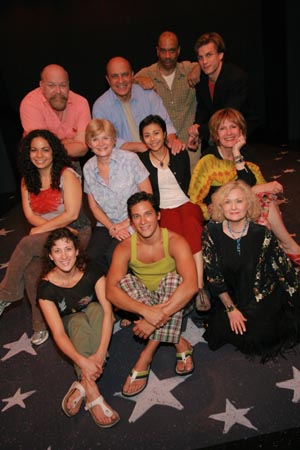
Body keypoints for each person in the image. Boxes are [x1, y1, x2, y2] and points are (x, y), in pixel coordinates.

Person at [0, 129, 91, 345]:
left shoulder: (67, 174)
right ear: (27, 154)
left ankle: (5, 294)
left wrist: (48, 231)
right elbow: (31, 216)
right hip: (52, 232)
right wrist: (47, 230)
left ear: (54, 152)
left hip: (75, 231)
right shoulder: (26, 180)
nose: (39, 155)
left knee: (25, 243)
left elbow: (72, 214)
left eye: (45, 149)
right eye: (34, 150)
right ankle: (40, 325)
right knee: (32, 272)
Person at [106, 192, 198, 397]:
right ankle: (179, 342)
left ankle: (146, 355)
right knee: (124, 281)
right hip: (146, 304)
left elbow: (191, 285)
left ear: (158, 215)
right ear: (130, 221)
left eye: (147, 214)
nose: (143, 221)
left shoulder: (175, 241)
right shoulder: (124, 248)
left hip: (177, 303)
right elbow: (110, 291)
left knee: (172, 280)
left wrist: (153, 319)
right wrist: (147, 312)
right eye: (136, 217)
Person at [202, 180, 300, 361]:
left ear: (248, 204)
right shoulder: (211, 232)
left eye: (239, 201)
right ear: (220, 207)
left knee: (262, 337)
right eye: (228, 202)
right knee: (216, 334)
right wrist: (231, 308)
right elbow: (213, 275)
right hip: (229, 296)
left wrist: (295, 297)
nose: (233, 207)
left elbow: (283, 269)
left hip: (260, 293)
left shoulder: (262, 233)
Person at [188, 108, 300, 264]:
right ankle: (284, 250)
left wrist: (236, 153)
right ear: (215, 134)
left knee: (265, 200)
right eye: (222, 128)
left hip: (245, 207)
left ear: (241, 130)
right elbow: (194, 200)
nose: (229, 132)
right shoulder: (208, 160)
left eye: (233, 126)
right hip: (221, 213)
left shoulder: (246, 153)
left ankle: (281, 250)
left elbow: (258, 184)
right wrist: (209, 211)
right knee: (261, 199)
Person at [37, 227, 119, 428]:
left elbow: (109, 313)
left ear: (77, 251)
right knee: (77, 321)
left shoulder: (93, 271)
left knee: (98, 309)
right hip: (70, 325)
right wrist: (83, 361)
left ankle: (83, 384)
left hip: (96, 315)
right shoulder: (45, 288)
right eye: (57, 251)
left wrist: (99, 355)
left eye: (68, 249)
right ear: (50, 255)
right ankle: (92, 391)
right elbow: (57, 333)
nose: (64, 256)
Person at [138, 114, 210, 311]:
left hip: (185, 201)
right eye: (147, 135)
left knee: (191, 225)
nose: (152, 139)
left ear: (164, 133)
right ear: (142, 139)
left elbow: (187, 182)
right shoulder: (141, 160)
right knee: (175, 237)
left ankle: (199, 287)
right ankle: (189, 285)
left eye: (156, 133)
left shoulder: (178, 152)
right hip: (162, 208)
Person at [83, 118, 152, 275]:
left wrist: (126, 223)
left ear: (114, 140)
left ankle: (125, 295)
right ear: (89, 144)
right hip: (106, 224)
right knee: (91, 257)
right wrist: (112, 227)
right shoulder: (88, 168)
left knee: (114, 256)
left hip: (135, 221)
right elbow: (93, 206)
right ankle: (105, 295)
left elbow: (148, 195)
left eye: (105, 138)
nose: (101, 143)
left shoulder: (130, 159)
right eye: (95, 139)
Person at [134, 31, 201, 170]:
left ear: (179, 50)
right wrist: (138, 80)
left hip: (190, 146)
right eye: (163, 51)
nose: (168, 56)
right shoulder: (146, 74)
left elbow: (209, 63)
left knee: (194, 189)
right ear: (157, 51)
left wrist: (199, 68)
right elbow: (124, 84)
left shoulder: (189, 69)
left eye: (172, 51)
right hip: (158, 149)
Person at [92, 56, 185, 155]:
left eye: (125, 75)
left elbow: (165, 124)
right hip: (122, 163)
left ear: (132, 75)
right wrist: (142, 147)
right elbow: (103, 141)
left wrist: (173, 141)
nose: (120, 80)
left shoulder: (149, 95)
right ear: (108, 80)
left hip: (155, 156)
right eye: (115, 76)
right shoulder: (100, 107)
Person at [187, 32, 261, 151]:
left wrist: (199, 130)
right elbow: (203, 109)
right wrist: (196, 131)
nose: (204, 62)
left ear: (220, 55)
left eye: (209, 55)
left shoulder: (236, 78)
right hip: (220, 132)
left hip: (244, 133)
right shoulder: (202, 79)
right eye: (200, 57)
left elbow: (227, 115)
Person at [20, 64, 91, 160]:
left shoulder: (81, 103)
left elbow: (83, 149)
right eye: (51, 85)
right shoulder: (30, 104)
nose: (58, 91)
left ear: (68, 85)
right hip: (38, 164)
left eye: (63, 85)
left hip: (70, 162)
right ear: (41, 86)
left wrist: (52, 146)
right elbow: (41, 151)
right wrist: (70, 143)